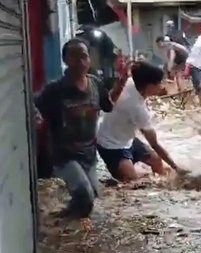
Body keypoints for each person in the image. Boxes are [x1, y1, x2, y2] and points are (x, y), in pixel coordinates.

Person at [35, 38, 130, 222]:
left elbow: (108, 106)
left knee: (92, 196)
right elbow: (34, 105)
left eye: (84, 56)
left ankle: (67, 217)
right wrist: (36, 119)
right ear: (65, 60)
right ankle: (65, 232)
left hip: (88, 154)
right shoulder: (55, 90)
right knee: (85, 196)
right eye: (75, 57)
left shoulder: (95, 84)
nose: (81, 62)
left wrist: (120, 85)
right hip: (64, 156)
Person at [96, 61, 188, 182]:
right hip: (111, 145)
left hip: (127, 139)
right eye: (159, 83)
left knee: (156, 162)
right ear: (149, 86)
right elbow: (155, 144)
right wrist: (177, 168)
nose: (162, 86)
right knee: (131, 182)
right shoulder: (137, 109)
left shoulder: (130, 83)